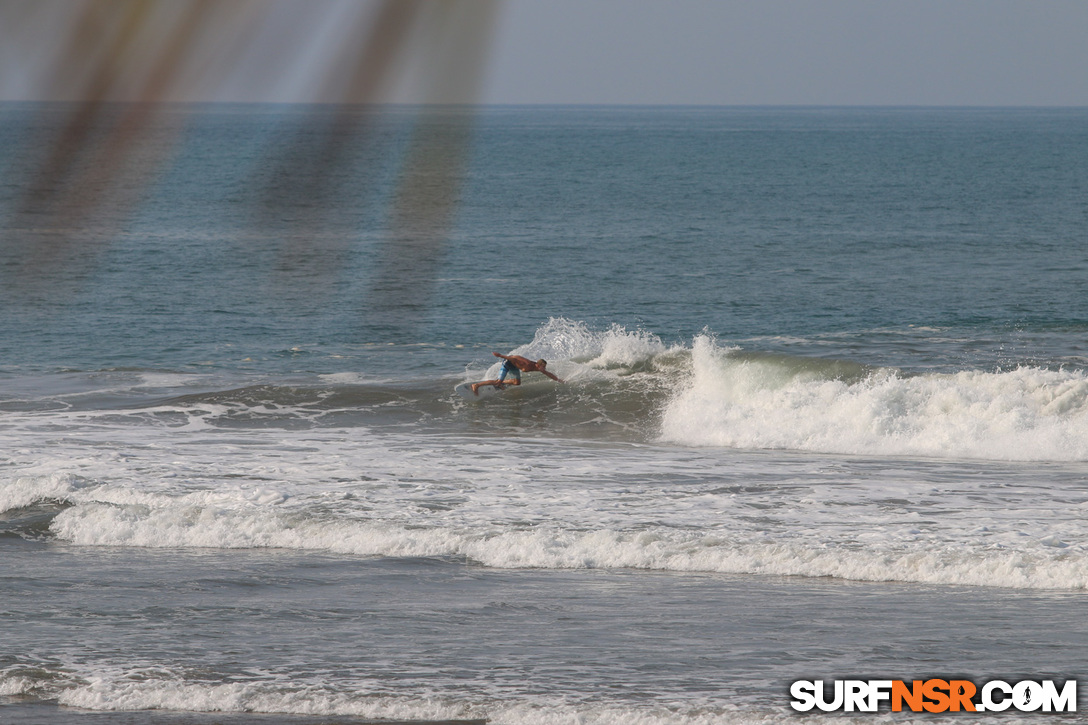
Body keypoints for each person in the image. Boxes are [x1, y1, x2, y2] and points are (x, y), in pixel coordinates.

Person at [471, 352, 563, 395]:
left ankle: (501, 383)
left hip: (514, 366)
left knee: (517, 383)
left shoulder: (539, 369)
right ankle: (476, 385)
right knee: (497, 382)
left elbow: (548, 374)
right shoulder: (527, 363)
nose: (544, 369)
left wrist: (558, 380)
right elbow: (514, 358)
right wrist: (501, 356)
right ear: (538, 365)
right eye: (544, 367)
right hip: (507, 363)